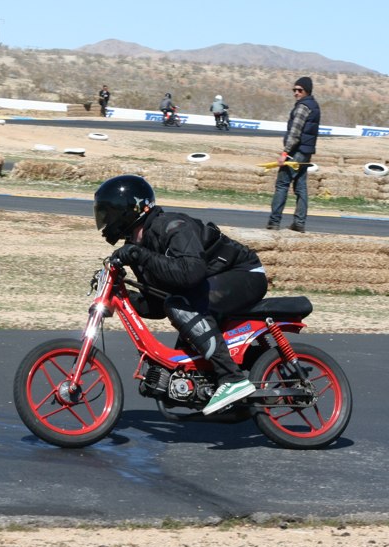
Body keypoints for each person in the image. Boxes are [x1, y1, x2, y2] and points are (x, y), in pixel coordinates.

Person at [93, 174, 268, 415]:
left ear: (129, 210)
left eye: (109, 213)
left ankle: (232, 379)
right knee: (175, 308)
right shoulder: (139, 246)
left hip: (245, 274)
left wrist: (138, 256)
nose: (105, 220)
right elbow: (156, 304)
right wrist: (122, 296)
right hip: (211, 283)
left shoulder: (172, 226)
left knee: (181, 304)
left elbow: (191, 274)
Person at [267, 76, 321, 233]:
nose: (296, 93)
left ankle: (274, 222)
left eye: (299, 90)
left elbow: (295, 133)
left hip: (296, 152)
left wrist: (285, 152)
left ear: (307, 91)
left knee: (282, 184)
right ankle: (299, 223)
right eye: (294, 90)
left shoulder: (303, 107)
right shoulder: (314, 105)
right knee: (301, 187)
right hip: (306, 152)